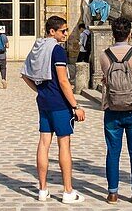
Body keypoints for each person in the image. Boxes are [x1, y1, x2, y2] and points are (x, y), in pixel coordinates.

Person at [22, 15, 86, 204]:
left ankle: (42, 190)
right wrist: (76, 106)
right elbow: (64, 81)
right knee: (64, 145)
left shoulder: (38, 47)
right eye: (63, 31)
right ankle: (67, 191)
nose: (66, 34)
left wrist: (40, 90)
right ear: (52, 31)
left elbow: (25, 75)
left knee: (43, 143)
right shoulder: (57, 50)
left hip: (43, 101)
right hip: (59, 103)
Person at [99, 17, 132, 204]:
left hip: (112, 108)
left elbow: (105, 78)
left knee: (113, 152)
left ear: (113, 34)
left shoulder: (104, 55)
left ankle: (112, 193)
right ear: (129, 34)